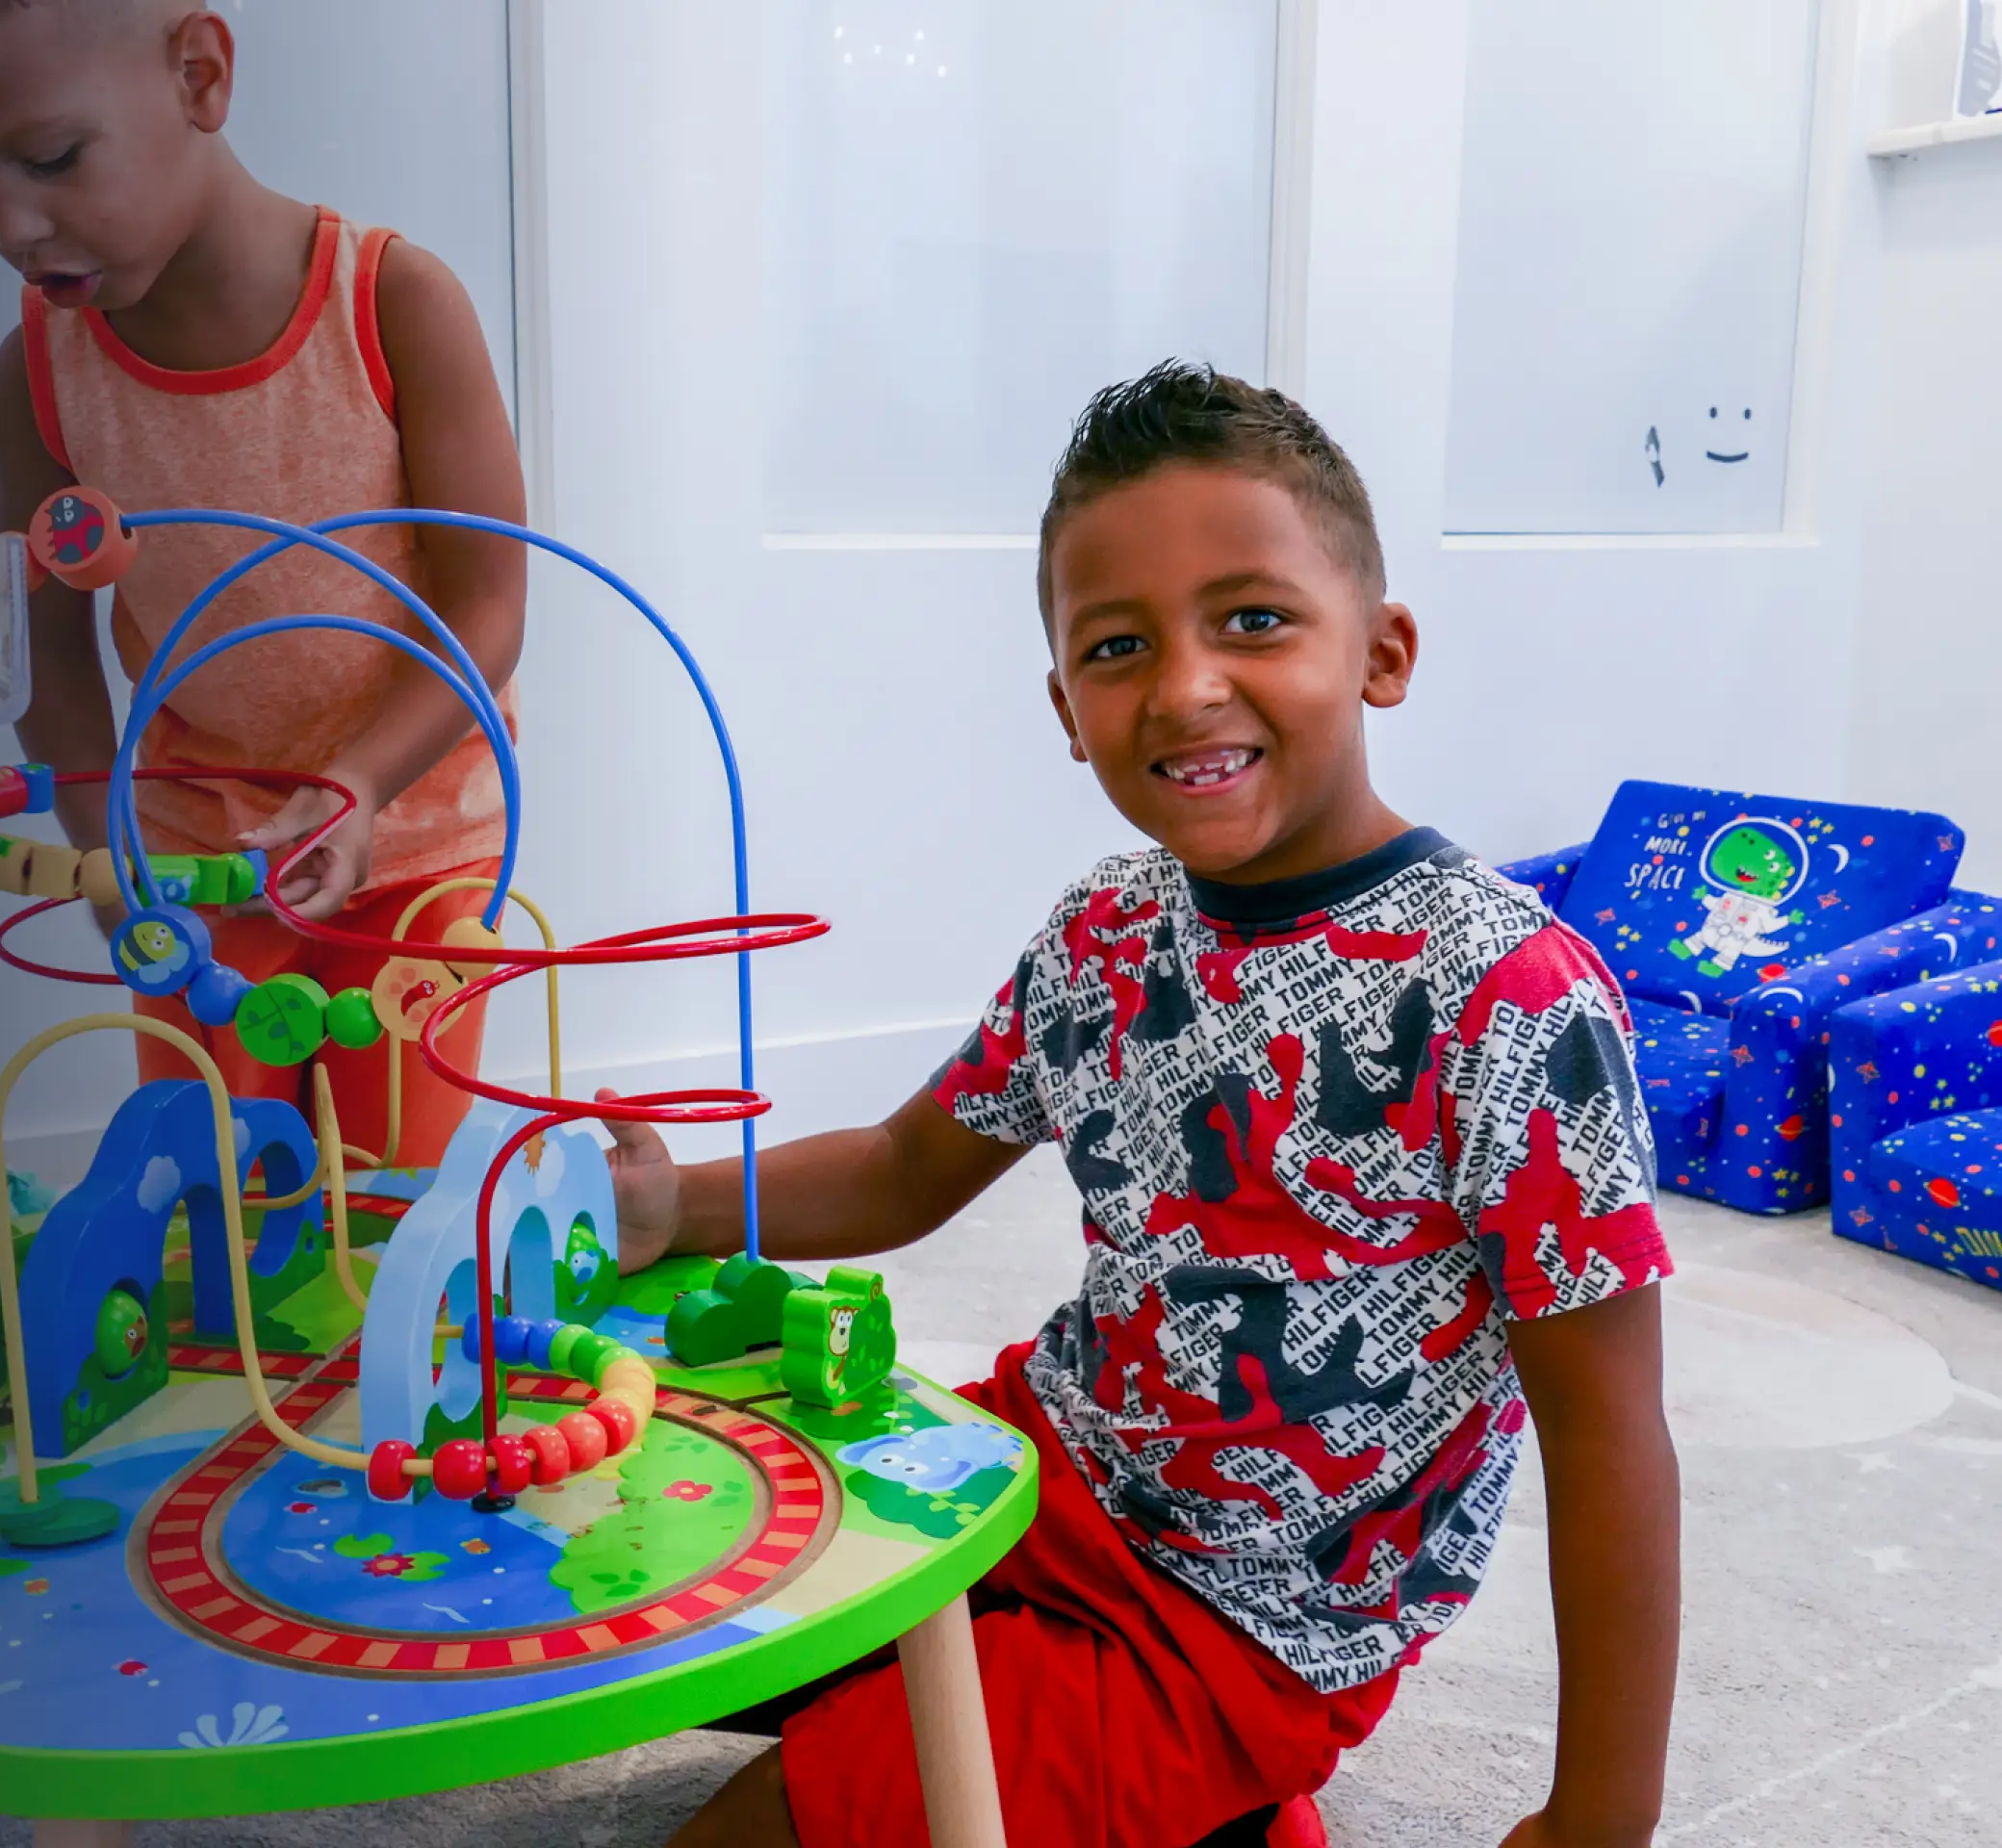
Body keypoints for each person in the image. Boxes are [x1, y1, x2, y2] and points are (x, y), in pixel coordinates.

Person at [618, 363, 1681, 1848]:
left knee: (742, 1835)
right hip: (1037, 1475)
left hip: (1245, 1628)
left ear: (1381, 651)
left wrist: (1600, 1816)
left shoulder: (1510, 996)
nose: (1185, 686)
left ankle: (1205, 1774)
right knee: (662, 1580)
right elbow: (901, 1166)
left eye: (1253, 618)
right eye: (1120, 646)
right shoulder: (1108, 929)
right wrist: (674, 1203)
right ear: (1067, 707)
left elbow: (1609, 1427)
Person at [0, 0, 528, 1168]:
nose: (12, 222)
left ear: (199, 74)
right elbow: (48, 652)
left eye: (51, 158)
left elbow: (488, 609)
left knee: (392, 1190)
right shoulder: (37, 376)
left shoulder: (395, 304)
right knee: (219, 1186)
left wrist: (357, 787)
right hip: (188, 861)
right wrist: (102, 848)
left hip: (413, 846)